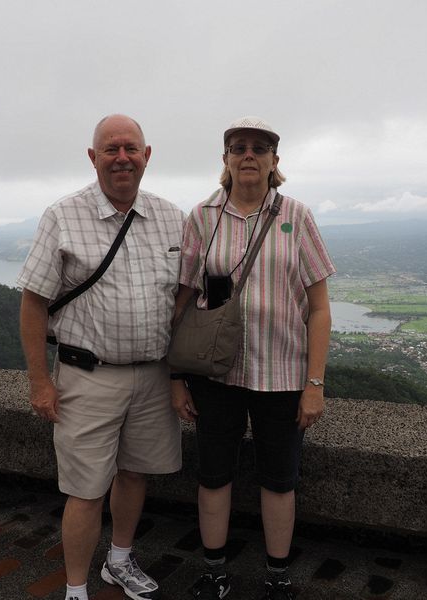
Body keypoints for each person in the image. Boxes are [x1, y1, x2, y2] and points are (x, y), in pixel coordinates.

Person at [18, 114, 184, 600]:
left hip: (152, 375)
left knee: (134, 474)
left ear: (147, 155)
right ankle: (75, 589)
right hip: (86, 377)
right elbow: (33, 304)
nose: (122, 158)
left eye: (131, 148)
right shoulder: (63, 216)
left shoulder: (172, 217)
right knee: (86, 490)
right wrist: (38, 382)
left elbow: (182, 297)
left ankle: (118, 562)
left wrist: (181, 374)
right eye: (110, 149)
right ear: (93, 158)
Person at [171, 116, 335, 600]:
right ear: (224, 160)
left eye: (259, 148)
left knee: (279, 482)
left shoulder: (297, 216)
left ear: (274, 162)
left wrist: (315, 383)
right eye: (239, 147)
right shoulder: (202, 216)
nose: (249, 154)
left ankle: (278, 577)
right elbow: (182, 301)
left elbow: (320, 308)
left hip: (283, 374)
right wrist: (176, 378)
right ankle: (215, 571)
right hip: (216, 374)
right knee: (213, 474)